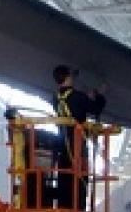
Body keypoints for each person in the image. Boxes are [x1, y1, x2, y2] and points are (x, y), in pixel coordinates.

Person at [52, 64, 106, 210]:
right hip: (77, 148)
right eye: (71, 76)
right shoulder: (77, 96)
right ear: (67, 77)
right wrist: (99, 96)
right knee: (80, 183)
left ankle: (64, 208)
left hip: (63, 147)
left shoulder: (56, 98)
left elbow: (72, 108)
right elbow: (95, 109)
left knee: (64, 182)